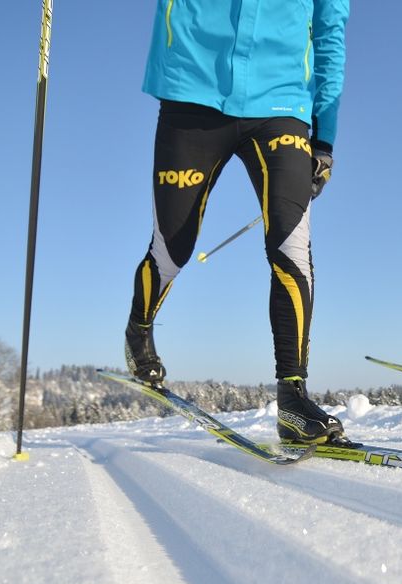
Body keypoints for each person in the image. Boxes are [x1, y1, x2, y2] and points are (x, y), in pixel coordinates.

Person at [124, 0, 350, 445]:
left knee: (291, 247)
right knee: (174, 249)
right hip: (192, 90)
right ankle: (140, 327)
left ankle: (293, 398)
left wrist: (325, 136)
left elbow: (329, 34)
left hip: (282, 102)